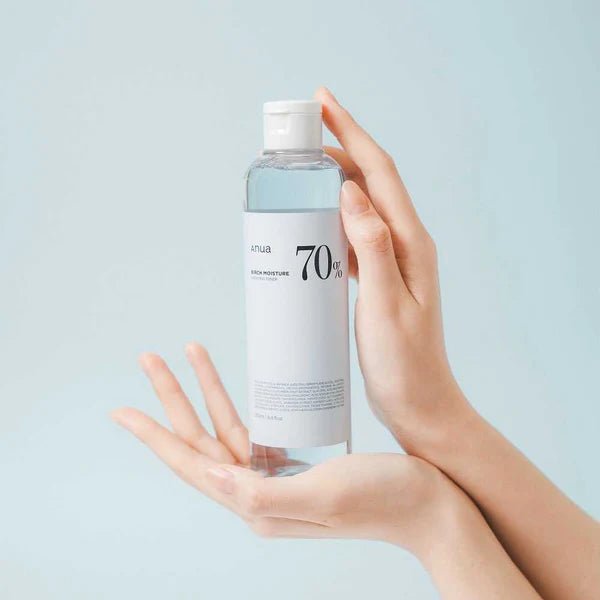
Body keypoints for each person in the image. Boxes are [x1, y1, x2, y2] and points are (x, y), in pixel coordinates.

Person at [112, 87, 600, 600]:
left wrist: (428, 517)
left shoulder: (320, 174)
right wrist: (430, 417)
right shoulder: (265, 176)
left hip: (326, 433)